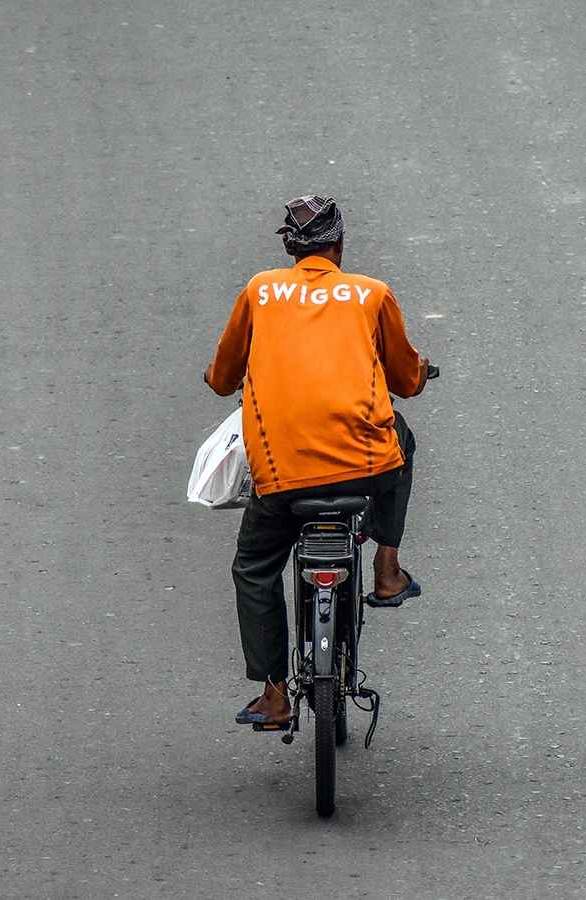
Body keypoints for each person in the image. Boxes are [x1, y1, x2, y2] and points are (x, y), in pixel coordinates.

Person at [204, 195, 429, 727]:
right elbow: (405, 380)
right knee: (403, 440)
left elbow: (221, 379)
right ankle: (387, 568)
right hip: (367, 467)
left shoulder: (260, 291)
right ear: (340, 244)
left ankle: (276, 693)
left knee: (255, 569)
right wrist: (420, 374)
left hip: (283, 479)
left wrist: (222, 379)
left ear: (290, 247)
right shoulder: (371, 294)